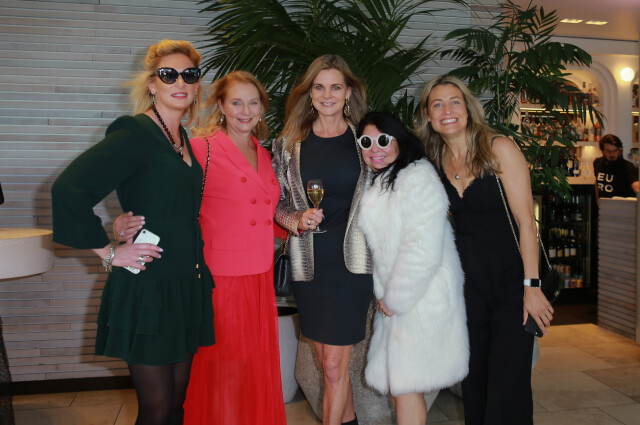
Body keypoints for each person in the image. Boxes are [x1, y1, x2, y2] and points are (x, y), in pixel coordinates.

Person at [51, 39, 214, 425]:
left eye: (189, 75)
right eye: (168, 74)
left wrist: (120, 221)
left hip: (185, 281)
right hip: (148, 285)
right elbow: (68, 190)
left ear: (197, 86)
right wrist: (109, 252)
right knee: (156, 409)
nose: (180, 82)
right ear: (152, 84)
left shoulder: (183, 139)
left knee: (176, 405)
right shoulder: (135, 132)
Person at [114, 71, 286, 424]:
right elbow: (160, 193)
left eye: (253, 102)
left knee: (249, 369)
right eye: (236, 102)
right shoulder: (201, 148)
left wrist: (296, 221)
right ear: (220, 106)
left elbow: (265, 210)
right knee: (222, 370)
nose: (245, 111)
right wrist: (124, 220)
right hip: (219, 279)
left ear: (262, 108)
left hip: (259, 277)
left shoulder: (264, 154)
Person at [415, 75, 553, 425]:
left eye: (454, 102)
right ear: (428, 115)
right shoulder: (435, 159)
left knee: (508, 385)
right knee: (474, 382)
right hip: (468, 289)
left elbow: (527, 222)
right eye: (437, 104)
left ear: (468, 108)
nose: (447, 110)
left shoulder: (498, 148)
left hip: (512, 285)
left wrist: (532, 287)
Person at [272, 54, 372, 425]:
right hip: (308, 267)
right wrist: (295, 219)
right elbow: (275, 202)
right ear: (309, 93)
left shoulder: (366, 140)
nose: (327, 95)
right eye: (319, 87)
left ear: (348, 92)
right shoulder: (289, 144)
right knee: (328, 364)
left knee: (332, 366)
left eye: (335, 87)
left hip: (352, 264)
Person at [355, 112, 469, 425]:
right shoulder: (382, 180)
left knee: (405, 388)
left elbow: (422, 247)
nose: (375, 148)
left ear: (400, 141)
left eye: (383, 140)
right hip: (400, 301)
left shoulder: (417, 177)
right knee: (400, 387)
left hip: (420, 299)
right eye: (366, 142)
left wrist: (396, 298)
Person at [593, 133, 639, 202]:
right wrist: (598, 202)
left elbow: (636, 187)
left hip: (622, 206)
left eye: (615, 151)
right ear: (602, 150)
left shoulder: (628, 167)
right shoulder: (597, 162)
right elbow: (597, 183)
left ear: (619, 150)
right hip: (604, 206)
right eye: (608, 151)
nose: (612, 154)